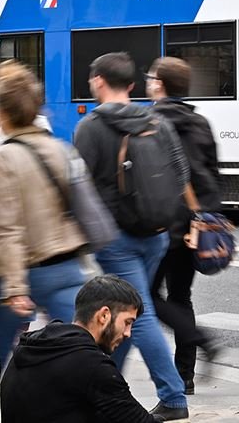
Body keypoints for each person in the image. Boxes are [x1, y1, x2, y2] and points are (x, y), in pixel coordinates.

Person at [74, 52, 190, 421]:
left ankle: (172, 397)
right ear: (132, 85)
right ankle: (107, 383)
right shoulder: (155, 119)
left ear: (99, 81)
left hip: (117, 237)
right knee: (131, 308)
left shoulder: (91, 127)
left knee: (137, 314)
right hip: (156, 233)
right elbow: (179, 172)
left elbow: (79, 187)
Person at [0, 60, 87, 367]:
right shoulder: (58, 147)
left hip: (26, 270)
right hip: (67, 263)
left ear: (3, 112)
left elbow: (10, 228)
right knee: (78, 349)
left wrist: (14, 289)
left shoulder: (3, 157)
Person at [147, 57, 222, 395]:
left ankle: (199, 340)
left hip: (164, 224)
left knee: (145, 296)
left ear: (160, 84)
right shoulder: (200, 123)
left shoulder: (151, 122)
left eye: (151, 78)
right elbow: (213, 172)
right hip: (196, 226)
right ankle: (185, 376)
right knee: (181, 295)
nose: (148, 82)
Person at [0, 275, 158, 423]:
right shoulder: (92, 366)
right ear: (104, 316)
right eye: (127, 322)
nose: (128, 333)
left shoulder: (35, 343)